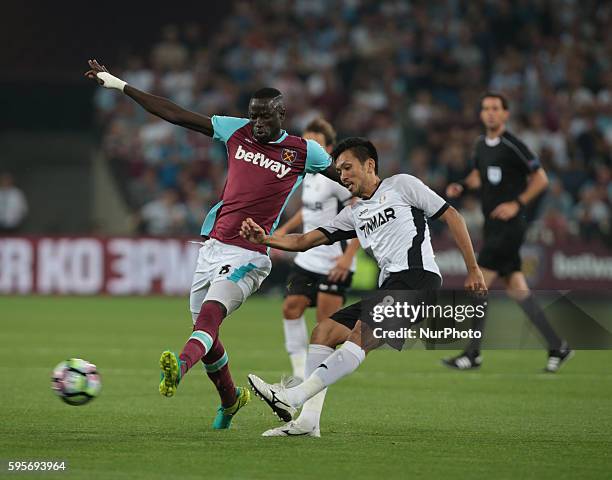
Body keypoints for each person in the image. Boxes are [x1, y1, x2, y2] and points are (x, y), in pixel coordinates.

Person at [85, 59, 336, 429]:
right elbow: (176, 114)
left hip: (250, 254)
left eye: (265, 117)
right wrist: (120, 85)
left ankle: (177, 369)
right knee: (209, 339)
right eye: (254, 117)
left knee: (209, 318)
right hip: (212, 247)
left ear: (283, 113)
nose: (258, 124)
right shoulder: (238, 132)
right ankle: (231, 400)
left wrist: (384, 198)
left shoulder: (303, 152)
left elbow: (346, 177)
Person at [240, 137, 486, 435]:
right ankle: (307, 422)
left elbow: (452, 216)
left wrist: (473, 269)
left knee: (358, 335)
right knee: (324, 331)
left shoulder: (402, 185)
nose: (342, 176)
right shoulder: (353, 214)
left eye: (347, 167)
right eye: (339, 170)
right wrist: (264, 238)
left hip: (418, 280)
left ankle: (293, 395)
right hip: (390, 287)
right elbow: (304, 241)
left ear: (369, 165)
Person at [442, 92, 573, 372]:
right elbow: (479, 175)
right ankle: (558, 346)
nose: (490, 113)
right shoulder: (480, 145)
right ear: (481, 114)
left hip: (510, 227)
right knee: (517, 289)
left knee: (478, 284)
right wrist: (463, 186)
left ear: (505, 114)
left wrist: (517, 203)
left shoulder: (514, 145)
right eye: (485, 108)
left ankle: (472, 353)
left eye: (495, 109)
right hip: (493, 227)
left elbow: (541, 178)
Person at [274, 118, 359, 385]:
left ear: (329, 148)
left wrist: (347, 258)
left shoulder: (335, 178)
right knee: (291, 308)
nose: (310, 147)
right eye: (307, 142)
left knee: (325, 327)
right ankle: (301, 374)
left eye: (316, 144)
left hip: (334, 260)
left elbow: (359, 214)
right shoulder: (308, 174)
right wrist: (283, 230)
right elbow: (309, 209)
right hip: (308, 256)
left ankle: (353, 348)